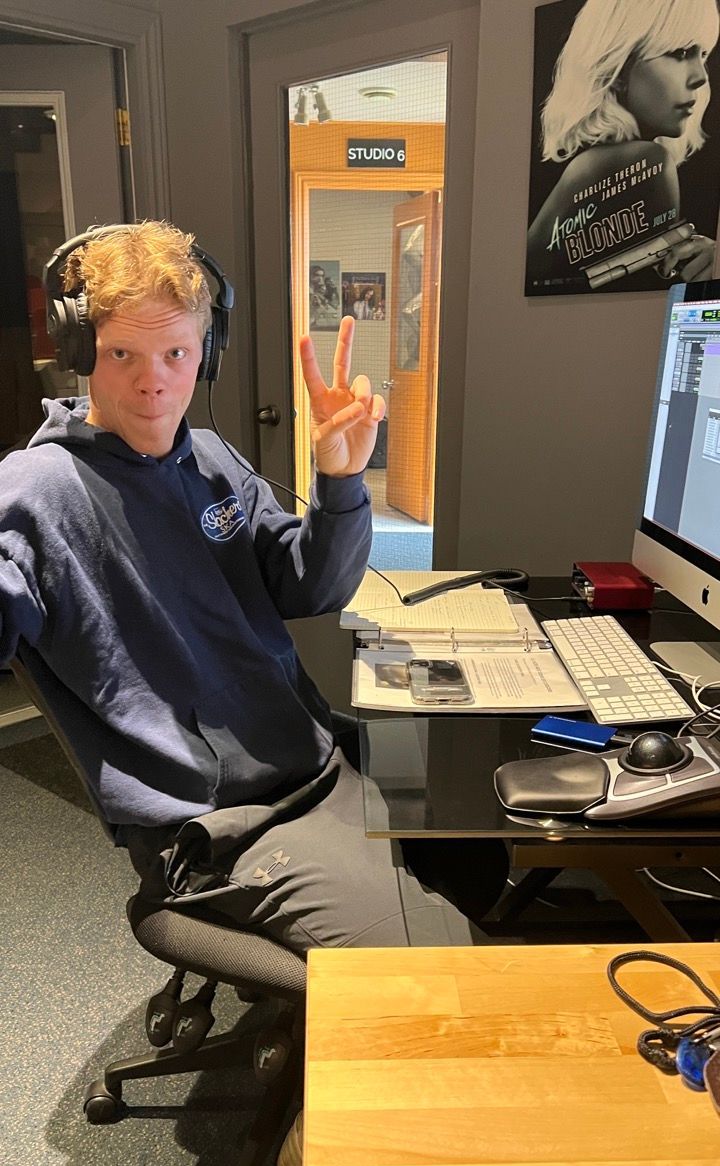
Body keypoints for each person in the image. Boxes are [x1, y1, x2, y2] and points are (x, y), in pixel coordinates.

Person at [0, 220, 502, 957]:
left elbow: (311, 587)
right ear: (80, 350)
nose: (152, 379)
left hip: (316, 761)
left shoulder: (209, 460)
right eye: (121, 354)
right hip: (223, 821)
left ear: (206, 351)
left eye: (175, 351)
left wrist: (339, 482)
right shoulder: (36, 491)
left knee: (480, 846)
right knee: (434, 976)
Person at [526, 0, 720, 291]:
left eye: (702, 54)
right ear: (616, 69)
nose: (701, 77)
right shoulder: (643, 161)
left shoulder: (595, 163)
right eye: (680, 53)